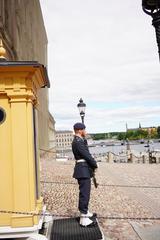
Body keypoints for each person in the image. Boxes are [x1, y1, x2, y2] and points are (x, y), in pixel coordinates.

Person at [72, 122, 98, 227]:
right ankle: (84, 219)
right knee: (84, 194)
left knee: (85, 192)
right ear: (79, 130)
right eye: (84, 130)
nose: (85, 132)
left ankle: (85, 212)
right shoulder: (78, 142)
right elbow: (86, 155)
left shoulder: (79, 140)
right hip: (82, 170)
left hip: (83, 169)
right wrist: (95, 164)